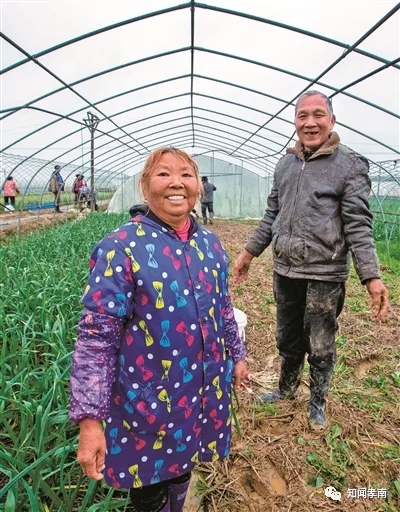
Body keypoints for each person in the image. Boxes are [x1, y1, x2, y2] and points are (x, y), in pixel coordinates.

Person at [70, 147, 249, 512]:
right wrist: (90, 421)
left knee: (184, 468)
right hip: (148, 397)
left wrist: (238, 354)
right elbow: (96, 340)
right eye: (163, 173)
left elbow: (223, 309)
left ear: (198, 186)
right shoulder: (121, 248)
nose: (176, 182)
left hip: (200, 391)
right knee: (149, 484)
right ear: (145, 185)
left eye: (186, 174)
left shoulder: (210, 246)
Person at [233, 90, 389, 431]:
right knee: (287, 336)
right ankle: (287, 388)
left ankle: (317, 401)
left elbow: (358, 225)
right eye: (303, 115)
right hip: (285, 268)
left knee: (320, 343)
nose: (310, 122)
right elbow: (271, 214)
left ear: (331, 120)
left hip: (324, 273)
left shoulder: (349, 165)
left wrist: (371, 276)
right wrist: (249, 252)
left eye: (318, 114)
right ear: (295, 122)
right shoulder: (285, 164)